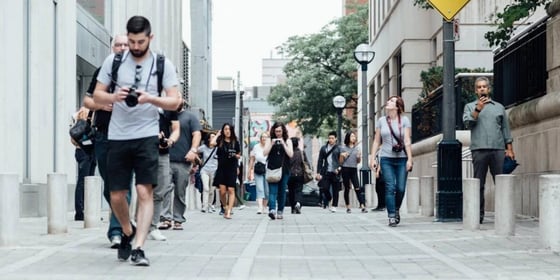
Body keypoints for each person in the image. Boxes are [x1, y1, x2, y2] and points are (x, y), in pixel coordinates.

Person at [93, 16, 183, 266]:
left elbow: (175, 101)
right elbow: (96, 95)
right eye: (131, 41)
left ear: (150, 38)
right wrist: (114, 96)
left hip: (146, 135)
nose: (134, 46)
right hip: (118, 135)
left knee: (145, 191)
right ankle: (127, 230)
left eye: (140, 41)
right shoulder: (115, 61)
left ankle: (139, 248)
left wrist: (150, 99)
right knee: (117, 195)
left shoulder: (163, 64)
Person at [82, 34, 128, 248]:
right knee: (109, 187)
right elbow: (87, 100)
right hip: (103, 135)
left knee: (122, 185)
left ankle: (117, 231)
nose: (121, 47)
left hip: (128, 137)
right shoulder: (103, 71)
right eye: (118, 44)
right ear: (112, 48)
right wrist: (101, 105)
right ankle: (125, 220)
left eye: (125, 44)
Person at [463, 76, 515, 224]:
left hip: (498, 149)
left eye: (484, 86)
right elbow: (468, 123)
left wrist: (509, 149)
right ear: (475, 90)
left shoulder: (499, 107)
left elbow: (505, 129)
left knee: (501, 182)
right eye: (479, 87)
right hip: (479, 150)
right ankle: (478, 215)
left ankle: (504, 214)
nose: (482, 89)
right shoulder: (469, 106)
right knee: (478, 184)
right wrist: (477, 109)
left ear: (488, 89)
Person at [369, 96, 413, 227]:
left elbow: (407, 141)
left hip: (402, 158)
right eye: (388, 100)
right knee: (390, 187)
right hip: (386, 158)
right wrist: (372, 158)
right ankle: (392, 216)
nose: (388, 102)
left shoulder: (404, 120)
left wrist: (410, 159)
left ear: (398, 106)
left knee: (400, 188)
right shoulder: (381, 121)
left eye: (392, 101)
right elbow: (377, 141)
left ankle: (396, 208)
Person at [164, 103, 201, 230]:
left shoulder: (190, 117)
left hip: (183, 160)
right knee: (165, 189)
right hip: (165, 158)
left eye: (178, 97)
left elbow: (197, 134)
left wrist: (193, 150)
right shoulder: (164, 115)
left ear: (182, 101)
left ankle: (178, 219)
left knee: (180, 191)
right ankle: (166, 218)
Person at [148, 108, 179, 241]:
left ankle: (153, 227)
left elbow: (176, 129)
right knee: (143, 188)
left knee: (161, 189)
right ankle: (138, 224)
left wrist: (169, 141)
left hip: (162, 153)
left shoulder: (168, 105)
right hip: (143, 150)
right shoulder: (141, 98)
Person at [70, 106, 97, 221]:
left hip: (88, 151)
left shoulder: (94, 113)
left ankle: (88, 211)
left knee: (89, 182)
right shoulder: (82, 113)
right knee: (83, 182)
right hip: (84, 151)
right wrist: (88, 144)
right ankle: (80, 212)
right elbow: (74, 137)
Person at [263, 122, 294, 220]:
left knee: (282, 191)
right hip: (272, 169)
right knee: (272, 191)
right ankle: (272, 210)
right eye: (276, 131)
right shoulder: (269, 140)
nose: (278, 133)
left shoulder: (288, 141)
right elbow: (264, 153)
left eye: (280, 131)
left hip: (284, 169)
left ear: (283, 131)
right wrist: (271, 144)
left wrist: (283, 143)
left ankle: (280, 210)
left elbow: (291, 154)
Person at [211, 123, 241, 219]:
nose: (227, 131)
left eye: (229, 129)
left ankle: (228, 211)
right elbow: (211, 144)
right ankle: (224, 206)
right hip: (222, 168)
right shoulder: (220, 141)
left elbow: (239, 154)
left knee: (231, 189)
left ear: (231, 130)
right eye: (225, 129)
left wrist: (236, 157)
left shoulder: (235, 142)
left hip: (232, 168)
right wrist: (217, 134)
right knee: (222, 192)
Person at [339, 131, 367, 213]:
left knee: (357, 187)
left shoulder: (357, 148)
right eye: (352, 136)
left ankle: (362, 206)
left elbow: (358, 161)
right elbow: (340, 162)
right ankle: (348, 207)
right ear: (348, 138)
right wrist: (342, 155)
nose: (354, 138)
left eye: (354, 136)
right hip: (345, 169)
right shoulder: (343, 148)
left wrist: (358, 157)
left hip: (353, 169)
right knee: (347, 188)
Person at [316, 131, 341, 213]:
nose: (330, 140)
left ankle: (334, 206)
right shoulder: (324, 148)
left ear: (336, 139)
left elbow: (342, 161)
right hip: (326, 171)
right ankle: (330, 198)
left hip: (335, 171)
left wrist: (339, 169)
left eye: (332, 138)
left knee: (335, 189)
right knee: (324, 187)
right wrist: (318, 172)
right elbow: (320, 160)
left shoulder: (339, 148)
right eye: (329, 138)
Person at [248, 132, 269, 214]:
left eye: (266, 137)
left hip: (268, 170)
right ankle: (260, 207)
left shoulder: (269, 147)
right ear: (260, 138)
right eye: (263, 137)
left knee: (267, 191)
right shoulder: (256, 147)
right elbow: (252, 159)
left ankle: (265, 207)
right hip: (258, 170)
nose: (264, 138)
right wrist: (249, 171)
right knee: (260, 189)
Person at [199, 132, 218, 213]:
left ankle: (210, 205)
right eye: (212, 137)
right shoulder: (204, 147)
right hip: (205, 170)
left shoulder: (217, 149)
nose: (214, 138)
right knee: (206, 188)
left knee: (211, 190)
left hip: (214, 171)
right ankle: (204, 206)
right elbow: (194, 150)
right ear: (209, 139)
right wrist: (199, 160)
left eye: (215, 137)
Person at [287, 137, 305, 214]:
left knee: (291, 191)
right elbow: (305, 163)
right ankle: (298, 203)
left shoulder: (288, 153)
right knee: (299, 190)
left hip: (290, 175)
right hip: (300, 174)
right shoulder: (301, 152)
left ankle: (292, 208)